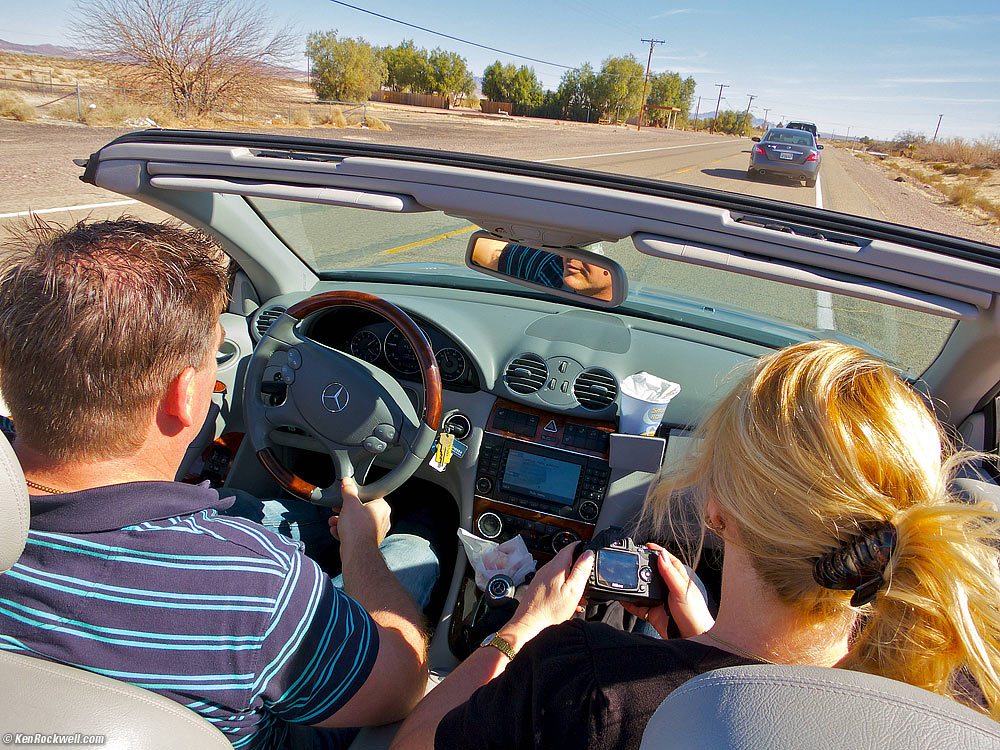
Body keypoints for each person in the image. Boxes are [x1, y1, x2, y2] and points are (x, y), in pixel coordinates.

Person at [391, 339, 1000, 750]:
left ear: (716, 509)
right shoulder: (961, 699)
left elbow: (413, 745)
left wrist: (524, 628)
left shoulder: (585, 678)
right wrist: (703, 642)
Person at [0, 218, 433, 749]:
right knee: (413, 551)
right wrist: (363, 546)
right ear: (184, 397)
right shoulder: (255, 589)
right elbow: (404, 686)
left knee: (259, 510)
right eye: (215, 359)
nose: (223, 378)